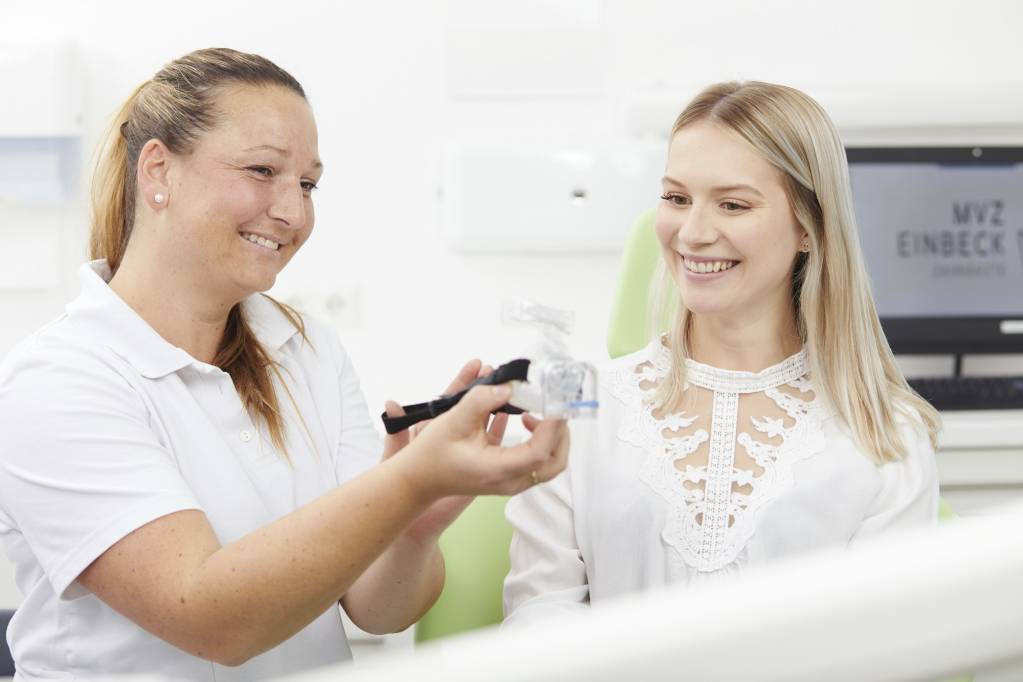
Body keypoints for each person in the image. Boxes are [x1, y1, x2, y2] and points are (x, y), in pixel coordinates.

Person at [0, 48, 569, 680]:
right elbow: (210, 620)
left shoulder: (305, 347)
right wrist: (406, 485)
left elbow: (380, 609)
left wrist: (415, 523)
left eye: (306, 184)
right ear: (158, 169)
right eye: (262, 170)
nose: (294, 213)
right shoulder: (58, 380)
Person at [503, 81, 941, 624]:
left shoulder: (886, 436)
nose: (692, 233)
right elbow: (538, 615)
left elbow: (887, 646)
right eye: (676, 198)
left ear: (809, 227)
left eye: (732, 205)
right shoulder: (579, 412)